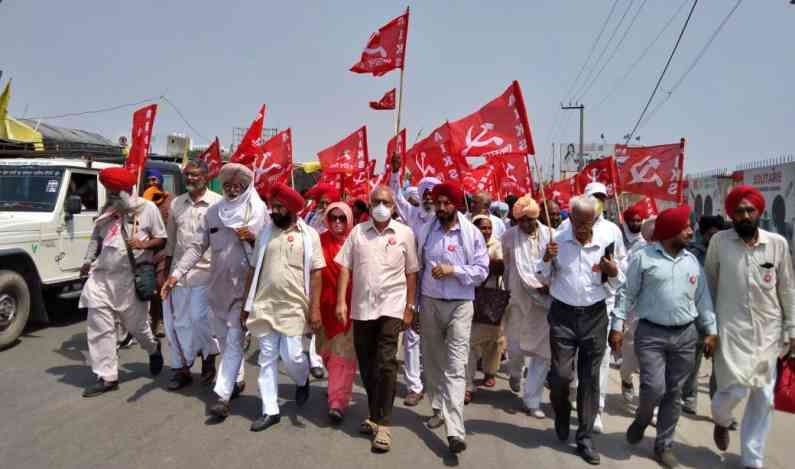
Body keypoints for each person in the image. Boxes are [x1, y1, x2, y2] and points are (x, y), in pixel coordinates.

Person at [610, 205, 718, 469]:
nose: (691, 231)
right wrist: (617, 324)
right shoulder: (643, 258)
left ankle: (664, 446)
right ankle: (643, 417)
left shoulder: (692, 261)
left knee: (674, 392)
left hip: (685, 334)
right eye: (686, 227)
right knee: (654, 388)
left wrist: (711, 330)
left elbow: (703, 298)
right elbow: (627, 293)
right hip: (651, 333)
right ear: (670, 232)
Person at [163, 163, 267, 419]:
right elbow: (197, 247)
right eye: (228, 186)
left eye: (238, 186)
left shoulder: (258, 212)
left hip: (245, 288)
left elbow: (268, 250)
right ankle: (237, 379)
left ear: (246, 187)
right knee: (224, 338)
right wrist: (175, 275)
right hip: (217, 286)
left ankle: (222, 395)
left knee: (232, 339)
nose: (232, 190)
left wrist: (252, 239)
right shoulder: (214, 212)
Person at [706, 185, 795, 469]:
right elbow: (708, 285)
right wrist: (708, 328)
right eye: (739, 211)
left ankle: (751, 459)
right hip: (731, 329)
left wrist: (792, 329)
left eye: (750, 210)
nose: (744, 215)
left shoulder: (777, 244)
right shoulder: (720, 242)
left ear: (759, 212)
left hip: (769, 331)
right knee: (734, 390)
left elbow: (788, 289)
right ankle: (720, 418)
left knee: (764, 396)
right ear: (731, 214)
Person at [537, 194, 623, 465]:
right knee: (561, 375)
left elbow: (621, 280)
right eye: (580, 222)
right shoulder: (557, 241)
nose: (585, 228)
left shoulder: (607, 240)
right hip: (562, 315)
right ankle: (561, 411)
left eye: (591, 222)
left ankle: (584, 439)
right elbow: (540, 277)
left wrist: (613, 271)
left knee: (590, 378)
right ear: (570, 218)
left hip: (595, 316)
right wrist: (546, 259)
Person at [335, 185, 418, 452]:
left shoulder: (405, 233)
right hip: (362, 308)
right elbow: (345, 267)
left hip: (392, 308)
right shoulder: (357, 233)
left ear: (394, 206)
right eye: (376, 202)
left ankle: (384, 424)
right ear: (370, 206)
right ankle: (373, 413)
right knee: (368, 364)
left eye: (386, 201)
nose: (381, 205)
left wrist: (409, 307)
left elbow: (411, 272)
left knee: (386, 362)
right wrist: (340, 302)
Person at [242, 183, 324, 432]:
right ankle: (270, 410)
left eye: (278, 207)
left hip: (294, 306)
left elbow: (317, 273)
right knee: (267, 357)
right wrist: (246, 303)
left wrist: (315, 308)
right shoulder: (265, 233)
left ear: (291, 209)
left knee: (293, 356)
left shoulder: (309, 235)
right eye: (271, 206)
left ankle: (301, 380)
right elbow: (253, 269)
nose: (273, 211)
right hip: (265, 304)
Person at [78, 167, 165, 397]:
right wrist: (87, 262)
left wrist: (144, 245)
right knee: (100, 327)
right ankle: (107, 376)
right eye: (109, 192)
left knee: (137, 327)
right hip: (101, 278)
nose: (112, 197)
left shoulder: (148, 209)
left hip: (130, 279)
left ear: (128, 190)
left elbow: (162, 240)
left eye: (115, 193)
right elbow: (96, 238)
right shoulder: (107, 210)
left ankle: (154, 348)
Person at [417, 182, 489, 454]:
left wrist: (454, 270)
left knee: (456, 366)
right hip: (431, 302)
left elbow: (481, 271)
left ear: (457, 205)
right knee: (433, 362)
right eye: (439, 203)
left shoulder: (471, 234)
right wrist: (414, 308)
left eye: (448, 203)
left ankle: (455, 431)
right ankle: (437, 408)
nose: (443, 208)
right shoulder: (425, 231)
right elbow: (419, 268)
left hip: (460, 305)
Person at [561, 182, 627, 434]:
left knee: (598, 361)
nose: (598, 201)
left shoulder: (612, 231)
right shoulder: (565, 229)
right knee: (570, 366)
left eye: (602, 197)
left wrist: (613, 272)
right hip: (569, 307)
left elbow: (622, 266)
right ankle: (573, 397)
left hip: (602, 304)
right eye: (594, 196)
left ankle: (595, 410)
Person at [160, 160, 223, 390]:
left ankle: (209, 356)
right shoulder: (177, 204)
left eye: (195, 175)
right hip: (179, 273)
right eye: (187, 175)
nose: (190, 179)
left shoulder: (218, 203)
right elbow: (171, 243)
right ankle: (181, 368)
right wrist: (166, 275)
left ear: (205, 177)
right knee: (179, 323)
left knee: (200, 320)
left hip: (207, 273)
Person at [389, 154, 438, 407]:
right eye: (425, 192)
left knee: (437, 335)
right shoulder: (414, 214)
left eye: (432, 192)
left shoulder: (446, 217)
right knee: (412, 333)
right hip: (415, 284)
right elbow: (395, 197)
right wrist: (395, 173)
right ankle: (414, 385)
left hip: (441, 287)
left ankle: (436, 381)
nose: (428, 196)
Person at [501, 196, 551, 419]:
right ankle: (514, 371)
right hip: (518, 297)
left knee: (542, 351)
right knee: (516, 344)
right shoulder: (509, 237)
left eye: (531, 219)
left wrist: (546, 282)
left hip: (544, 299)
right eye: (522, 220)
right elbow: (507, 266)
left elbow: (556, 267)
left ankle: (532, 400)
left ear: (537, 216)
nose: (527, 224)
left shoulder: (551, 235)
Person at [682, 214, 730, 417]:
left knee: (720, 364)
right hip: (696, 314)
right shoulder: (692, 254)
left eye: (718, 233)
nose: (714, 237)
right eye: (711, 234)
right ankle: (690, 398)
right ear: (703, 234)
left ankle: (718, 406)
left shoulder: (728, 253)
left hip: (723, 313)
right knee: (694, 360)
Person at [316, 201, 357, 424]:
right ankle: (335, 385)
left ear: (350, 219)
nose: (338, 222)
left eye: (343, 218)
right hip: (322, 309)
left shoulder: (358, 241)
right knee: (326, 353)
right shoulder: (317, 242)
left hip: (349, 309)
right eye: (334, 218)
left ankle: (338, 401)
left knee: (343, 355)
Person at [465, 215, 506, 403]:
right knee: (471, 343)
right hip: (470, 296)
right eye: (482, 228)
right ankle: (467, 384)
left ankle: (490, 372)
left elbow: (501, 267)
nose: (486, 231)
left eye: (489, 228)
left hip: (493, 298)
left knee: (495, 341)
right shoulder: (467, 243)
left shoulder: (498, 244)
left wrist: (484, 262)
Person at [143, 169, 175, 338]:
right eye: (149, 180)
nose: (151, 183)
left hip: (165, 250)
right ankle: (152, 320)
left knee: (160, 284)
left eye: (155, 179)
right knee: (148, 288)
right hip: (147, 250)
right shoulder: (144, 200)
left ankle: (162, 320)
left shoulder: (171, 200)